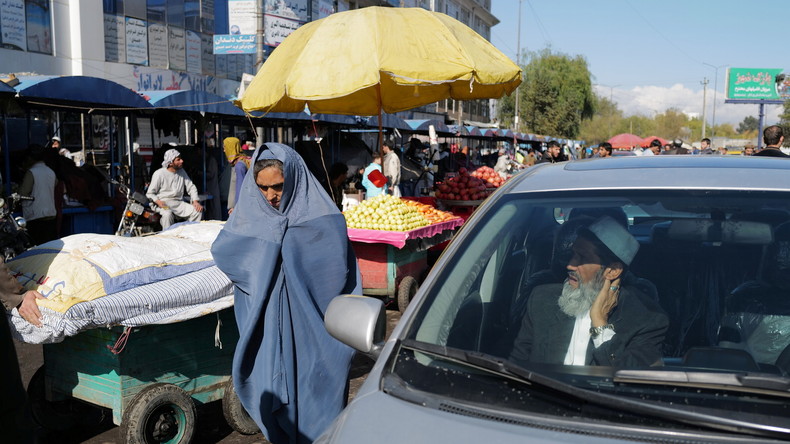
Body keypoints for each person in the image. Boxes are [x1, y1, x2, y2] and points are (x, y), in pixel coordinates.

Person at [211, 143, 360, 444]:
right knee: (276, 411)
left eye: (278, 186)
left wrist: (289, 243)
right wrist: (268, 242)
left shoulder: (325, 220)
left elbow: (336, 274)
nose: (270, 196)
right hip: (269, 334)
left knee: (319, 410)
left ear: (294, 179)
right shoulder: (254, 217)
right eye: (262, 188)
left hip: (316, 338)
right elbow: (225, 251)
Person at [510, 216, 668, 367]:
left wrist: (600, 323)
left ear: (612, 271)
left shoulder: (647, 319)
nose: (570, 265)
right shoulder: (541, 298)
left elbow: (632, 379)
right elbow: (516, 364)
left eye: (582, 257)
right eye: (573, 255)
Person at [146, 148, 203, 229]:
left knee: (197, 211)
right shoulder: (159, 173)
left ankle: (190, 233)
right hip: (163, 203)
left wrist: (195, 201)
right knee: (167, 214)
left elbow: (191, 187)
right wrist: (158, 202)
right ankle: (167, 237)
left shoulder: (182, 172)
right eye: (178, 160)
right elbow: (150, 193)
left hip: (178, 203)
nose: (182, 161)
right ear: (170, 163)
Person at [19, 145, 58, 246]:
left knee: (37, 248)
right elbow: (55, 184)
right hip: (51, 215)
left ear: (31, 159)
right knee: (49, 247)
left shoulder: (31, 172)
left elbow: (23, 193)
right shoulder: (51, 172)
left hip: (36, 217)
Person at [221, 137, 250, 215]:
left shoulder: (239, 166)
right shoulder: (240, 162)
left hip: (239, 210)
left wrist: (237, 208)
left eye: (225, 148)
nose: (224, 150)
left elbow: (240, 189)